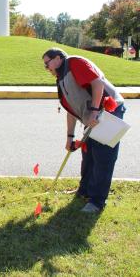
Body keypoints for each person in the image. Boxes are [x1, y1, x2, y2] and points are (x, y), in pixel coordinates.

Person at [42, 48, 126, 213]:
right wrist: (70, 137)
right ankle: (85, 191)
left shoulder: (74, 62)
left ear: (58, 58)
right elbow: (71, 111)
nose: (47, 68)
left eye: (47, 63)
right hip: (92, 117)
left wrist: (94, 111)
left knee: (103, 157)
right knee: (88, 155)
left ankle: (96, 202)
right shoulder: (61, 79)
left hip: (108, 111)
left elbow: (97, 83)